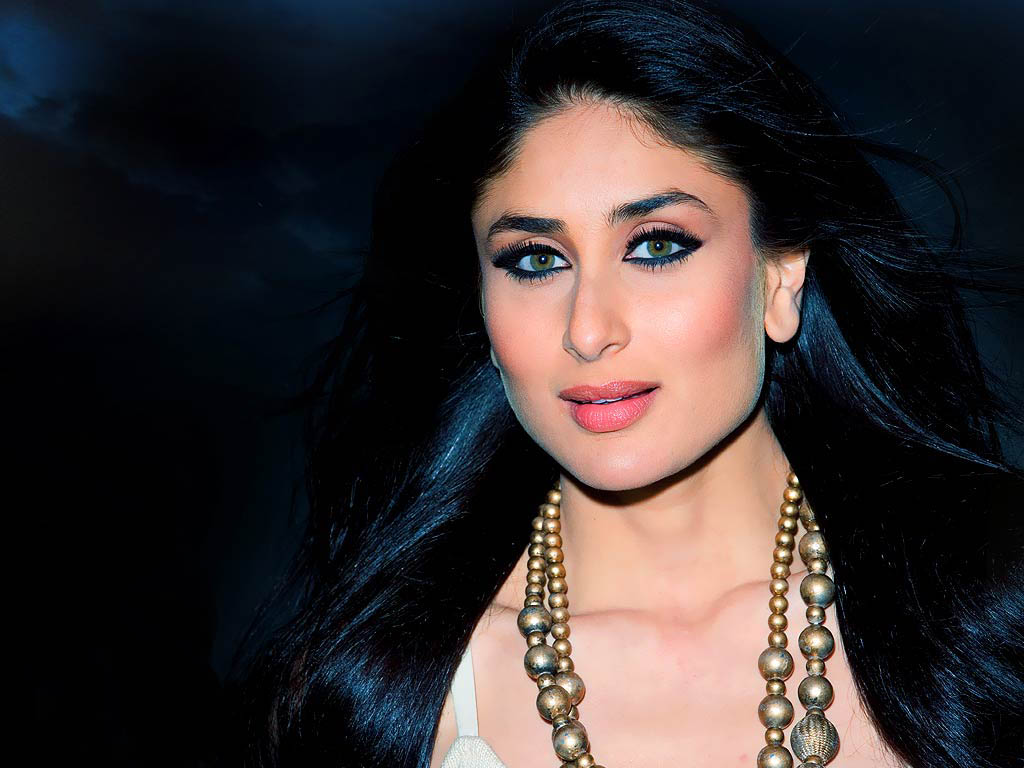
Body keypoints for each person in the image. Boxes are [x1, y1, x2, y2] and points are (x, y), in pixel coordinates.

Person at [232, 1, 1024, 766]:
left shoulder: (987, 620)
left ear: (781, 275)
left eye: (655, 246)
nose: (588, 329)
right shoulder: (383, 696)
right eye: (535, 260)